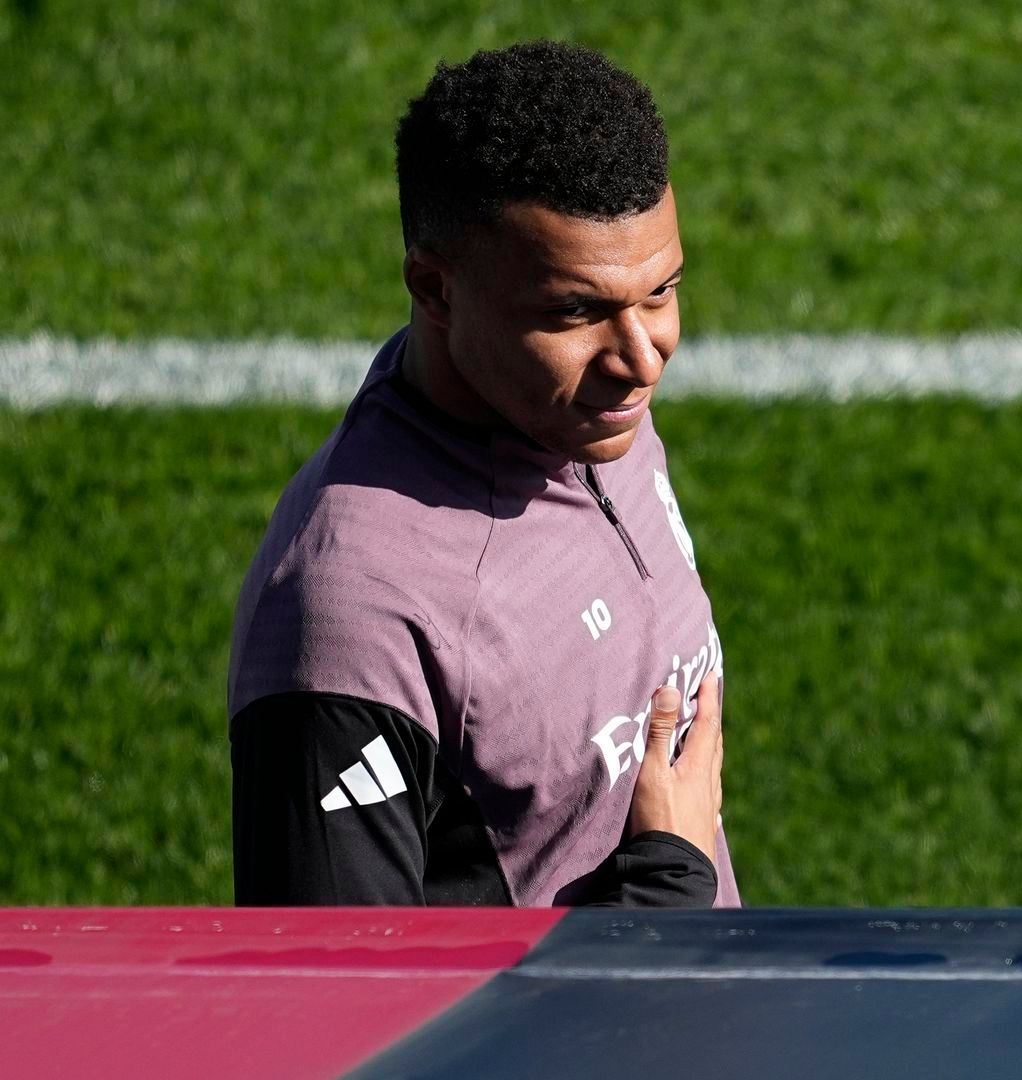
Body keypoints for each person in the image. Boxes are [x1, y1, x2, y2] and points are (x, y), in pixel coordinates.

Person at [227, 40, 739, 907]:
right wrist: (666, 892)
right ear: (434, 289)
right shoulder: (354, 620)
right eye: (575, 311)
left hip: (695, 1023)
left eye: (661, 292)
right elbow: (338, 1018)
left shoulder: (580, 413)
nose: (642, 359)